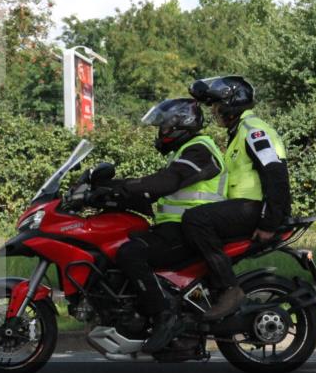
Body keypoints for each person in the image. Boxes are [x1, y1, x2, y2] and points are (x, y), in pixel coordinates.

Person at [106, 98, 227, 353]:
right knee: (122, 239)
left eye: (162, 127)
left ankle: (164, 315)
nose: (159, 132)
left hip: (190, 232)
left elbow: (166, 182)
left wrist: (127, 188)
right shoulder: (184, 153)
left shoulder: (200, 149)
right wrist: (109, 189)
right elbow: (159, 184)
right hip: (176, 229)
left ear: (178, 125)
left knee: (130, 253)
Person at [183, 75, 290, 321]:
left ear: (233, 104)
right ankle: (199, 304)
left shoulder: (254, 131)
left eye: (217, 105)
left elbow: (276, 175)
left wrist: (269, 223)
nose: (214, 111)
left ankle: (229, 289)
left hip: (255, 210)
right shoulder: (239, 132)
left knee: (195, 220)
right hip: (245, 209)